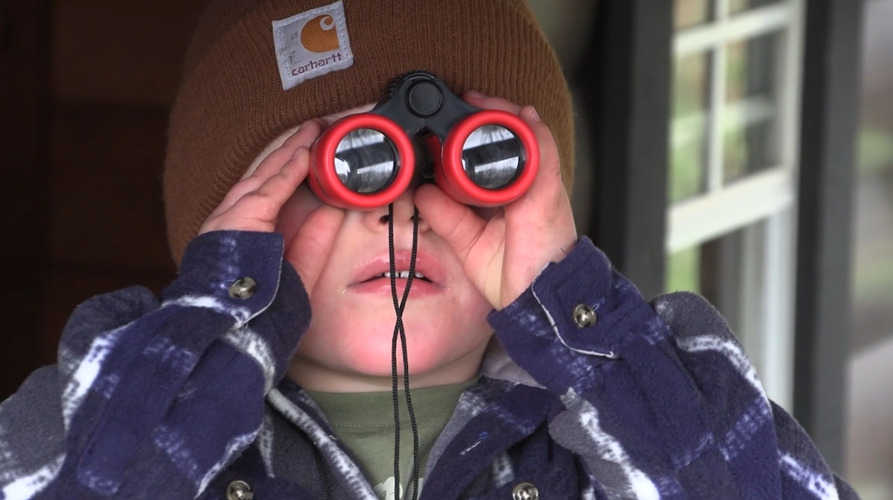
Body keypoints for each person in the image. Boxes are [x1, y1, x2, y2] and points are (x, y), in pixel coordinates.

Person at [0, 0, 860, 499]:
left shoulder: (661, 395)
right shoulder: (101, 397)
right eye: (344, 168)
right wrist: (222, 310)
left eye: (460, 169)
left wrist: (577, 322)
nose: (401, 213)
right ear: (234, 221)